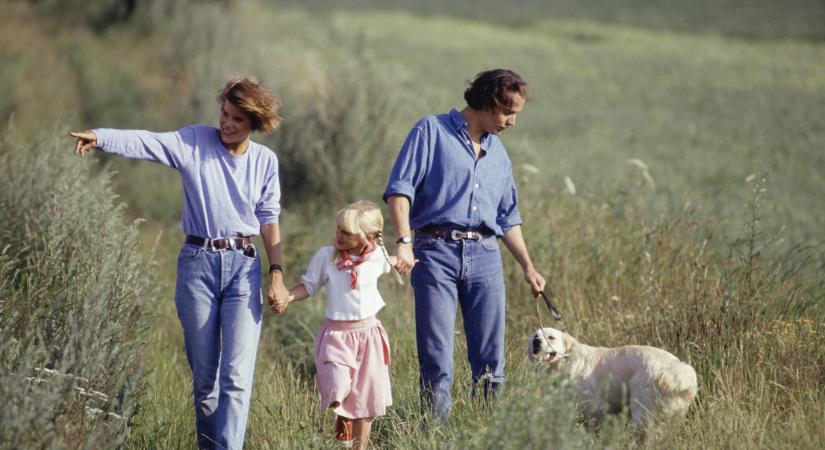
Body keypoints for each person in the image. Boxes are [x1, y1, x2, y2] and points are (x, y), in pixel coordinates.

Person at [69, 75, 291, 450]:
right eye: (224, 113)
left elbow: (269, 218)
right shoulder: (194, 141)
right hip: (197, 267)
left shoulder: (265, 162)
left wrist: (277, 274)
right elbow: (148, 142)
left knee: (236, 379)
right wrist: (101, 136)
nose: (227, 123)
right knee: (206, 383)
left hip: (243, 269)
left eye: (237, 119)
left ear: (254, 123)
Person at [382, 68, 546, 420]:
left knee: (491, 360)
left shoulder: (499, 153)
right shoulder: (430, 131)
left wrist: (528, 267)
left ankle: (485, 433)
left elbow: (507, 218)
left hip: (486, 256)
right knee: (437, 358)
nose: (513, 122)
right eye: (508, 112)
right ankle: (434, 436)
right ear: (487, 102)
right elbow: (400, 191)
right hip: (434, 252)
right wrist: (404, 242)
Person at [280, 200, 401, 449]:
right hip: (336, 335)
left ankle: (359, 447)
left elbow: (393, 262)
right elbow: (309, 286)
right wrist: (287, 297)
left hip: (368, 335)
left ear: (369, 237)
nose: (339, 235)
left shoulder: (377, 257)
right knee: (339, 388)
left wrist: (404, 259)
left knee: (366, 398)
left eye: (347, 232)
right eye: (338, 229)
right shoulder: (327, 256)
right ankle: (343, 424)